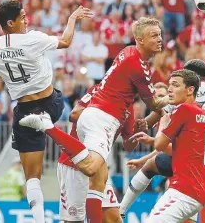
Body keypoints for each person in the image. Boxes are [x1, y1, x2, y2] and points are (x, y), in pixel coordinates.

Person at [20, 17, 169, 222]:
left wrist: (140, 131)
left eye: (160, 34)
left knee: (110, 207)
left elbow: (128, 144)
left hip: (101, 124)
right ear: (140, 39)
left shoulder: (126, 72)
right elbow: (153, 104)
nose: (160, 39)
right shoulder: (128, 73)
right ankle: (47, 126)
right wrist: (168, 101)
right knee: (92, 169)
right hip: (91, 133)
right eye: (154, 35)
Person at [0, 0, 93, 222]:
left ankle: (39, 220)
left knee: (32, 178)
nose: (27, 20)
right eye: (23, 17)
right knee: (74, 111)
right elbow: (65, 41)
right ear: (11, 22)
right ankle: (46, 123)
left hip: (24, 111)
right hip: (51, 103)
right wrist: (72, 18)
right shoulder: (33, 38)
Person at [121, 59, 205, 223]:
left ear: (189, 82)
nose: (172, 89)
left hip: (187, 178)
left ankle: (121, 209)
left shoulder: (182, 103)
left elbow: (160, 136)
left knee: (150, 166)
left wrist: (147, 124)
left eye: (175, 84)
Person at [57, 85, 147, 223]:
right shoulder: (98, 90)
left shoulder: (128, 107)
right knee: (74, 221)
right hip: (74, 164)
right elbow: (73, 115)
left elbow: (128, 146)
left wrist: (136, 133)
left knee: (114, 218)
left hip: (99, 166)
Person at [145, 69, 205, 222]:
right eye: (169, 85)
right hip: (198, 191)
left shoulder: (183, 109)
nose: (169, 89)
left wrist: (163, 124)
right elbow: (181, 150)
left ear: (190, 90)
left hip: (183, 190)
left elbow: (160, 145)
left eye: (175, 85)